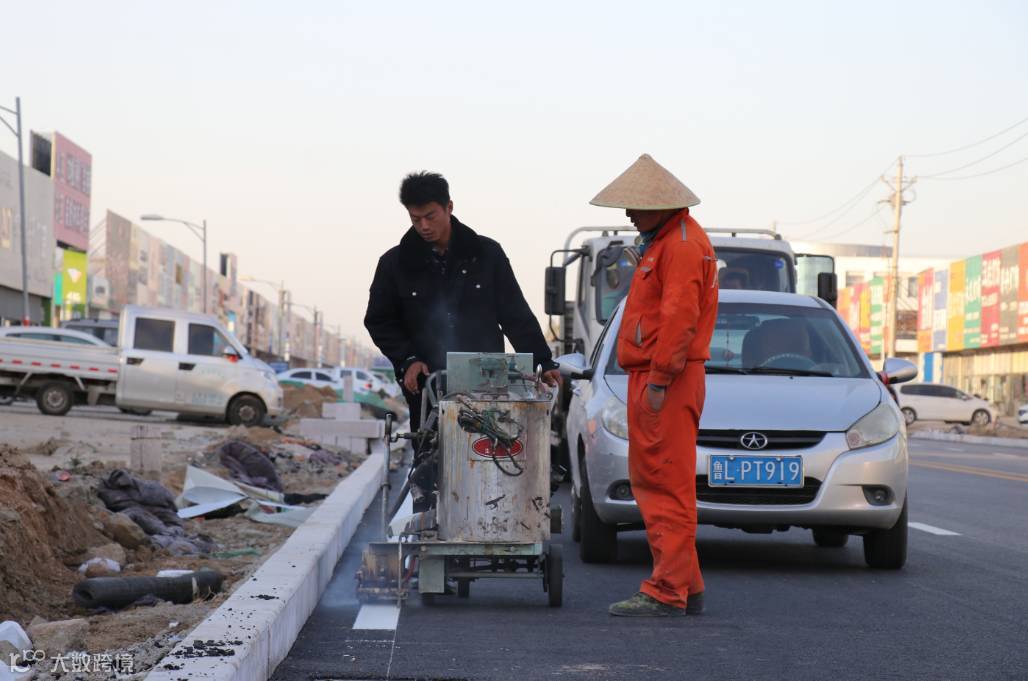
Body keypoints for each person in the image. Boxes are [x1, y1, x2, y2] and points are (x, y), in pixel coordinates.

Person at [590, 154, 719, 617]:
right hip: (661, 375)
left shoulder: (678, 246)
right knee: (662, 480)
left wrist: (660, 379)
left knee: (663, 484)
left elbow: (679, 320)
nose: (628, 213)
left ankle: (666, 590)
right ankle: (686, 585)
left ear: (661, 204)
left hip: (666, 378)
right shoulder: (671, 240)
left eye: (635, 205)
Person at [364, 171, 561, 431]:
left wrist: (543, 361)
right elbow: (379, 321)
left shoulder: (487, 255)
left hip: (486, 383)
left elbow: (515, 314)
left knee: (488, 447)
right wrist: (407, 359)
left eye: (430, 216)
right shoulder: (394, 264)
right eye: (415, 218)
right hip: (427, 385)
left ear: (449, 207)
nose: (424, 226)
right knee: (430, 451)